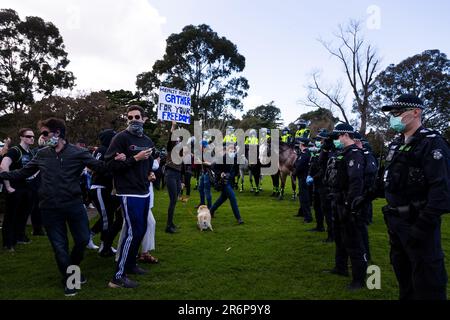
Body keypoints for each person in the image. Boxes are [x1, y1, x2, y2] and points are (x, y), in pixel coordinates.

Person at [0, 118, 125, 296]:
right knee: (60, 246)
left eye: (44, 133)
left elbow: (102, 167)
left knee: (82, 240)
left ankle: (70, 270)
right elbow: (23, 172)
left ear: (57, 133)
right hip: (49, 208)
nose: (42, 138)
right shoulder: (42, 154)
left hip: (74, 205)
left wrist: (119, 160)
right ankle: (71, 279)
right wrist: (4, 174)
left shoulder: (78, 152)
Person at [381, 94, 450, 300]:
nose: (393, 117)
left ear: (416, 112)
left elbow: (442, 191)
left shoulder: (432, 143)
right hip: (396, 221)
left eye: (398, 112)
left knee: (427, 280)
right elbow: (389, 179)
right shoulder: (396, 144)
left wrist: (422, 225)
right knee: (404, 276)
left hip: (419, 223)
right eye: (392, 113)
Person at [105, 105, 155, 289]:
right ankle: (117, 277)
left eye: (137, 116)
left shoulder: (148, 140)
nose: (133, 119)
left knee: (141, 231)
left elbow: (149, 164)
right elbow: (109, 165)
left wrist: (150, 173)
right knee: (133, 232)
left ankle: (131, 264)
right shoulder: (120, 138)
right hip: (127, 191)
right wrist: (134, 158)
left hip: (144, 190)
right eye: (130, 117)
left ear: (144, 119)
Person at [324, 123, 368, 290]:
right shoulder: (344, 153)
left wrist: (350, 205)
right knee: (340, 239)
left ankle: (359, 279)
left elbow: (356, 182)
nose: (337, 139)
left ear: (345, 135)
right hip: (338, 201)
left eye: (338, 136)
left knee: (354, 242)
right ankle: (340, 267)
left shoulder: (355, 154)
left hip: (349, 205)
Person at [1, 128, 36, 250]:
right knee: (11, 216)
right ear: (21, 137)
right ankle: (8, 243)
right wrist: (8, 186)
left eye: (32, 136)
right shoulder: (14, 151)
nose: (31, 138)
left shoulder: (31, 153)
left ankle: (20, 237)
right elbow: (3, 166)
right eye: (28, 136)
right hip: (14, 188)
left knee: (23, 215)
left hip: (27, 189)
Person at [89, 129, 122, 257]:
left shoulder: (102, 150)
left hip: (103, 187)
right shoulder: (104, 150)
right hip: (100, 187)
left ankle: (98, 240)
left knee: (108, 216)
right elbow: (100, 168)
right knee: (107, 218)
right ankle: (103, 245)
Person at [210, 144, 244, 224]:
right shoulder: (223, 158)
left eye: (233, 150)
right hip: (224, 182)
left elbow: (236, 169)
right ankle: (238, 218)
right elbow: (213, 167)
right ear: (227, 150)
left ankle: (211, 211)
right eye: (230, 150)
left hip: (231, 181)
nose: (232, 151)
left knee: (222, 199)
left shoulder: (235, 158)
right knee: (233, 198)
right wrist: (221, 173)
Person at [164, 120, 183, 234]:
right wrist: (173, 126)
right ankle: (168, 226)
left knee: (175, 199)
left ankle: (171, 223)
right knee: (173, 200)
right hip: (170, 173)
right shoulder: (171, 147)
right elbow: (171, 136)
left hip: (177, 174)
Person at [293, 138, 312, 223]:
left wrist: (294, 173)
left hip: (303, 178)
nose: (299, 144)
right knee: (301, 195)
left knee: (304, 197)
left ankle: (308, 217)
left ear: (302, 144)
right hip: (302, 177)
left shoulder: (305, 154)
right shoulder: (303, 153)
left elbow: (299, 165)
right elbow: (296, 164)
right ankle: (301, 212)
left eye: (300, 143)